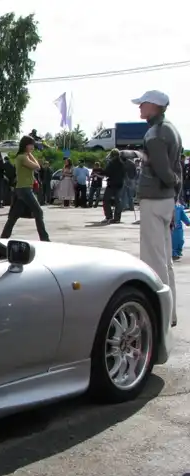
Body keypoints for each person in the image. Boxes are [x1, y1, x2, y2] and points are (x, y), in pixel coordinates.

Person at [132, 89, 183, 326]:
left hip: (154, 198)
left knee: (153, 260)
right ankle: (169, 314)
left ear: (154, 106)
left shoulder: (155, 133)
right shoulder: (171, 129)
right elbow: (175, 168)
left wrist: (172, 183)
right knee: (165, 260)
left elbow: (164, 170)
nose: (140, 107)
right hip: (166, 199)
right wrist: (174, 193)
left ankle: (160, 315)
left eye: (143, 104)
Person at [0, 136, 50, 241]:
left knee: (14, 215)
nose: (33, 147)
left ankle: (4, 237)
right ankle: (44, 239)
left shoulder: (22, 156)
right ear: (26, 145)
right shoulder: (22, 157)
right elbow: (37, 166)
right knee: (38, 212)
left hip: (22, 189)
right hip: (24, 189)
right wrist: (30, 154)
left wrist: (29, 153)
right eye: (31, 145)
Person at [102, 149, 126, 223]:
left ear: (112, 155)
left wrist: (103, 170)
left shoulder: (111, 163)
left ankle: (109, 216)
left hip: (111, 184)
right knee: (118, 201)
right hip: (120, 184)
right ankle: (117, 218)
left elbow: (107, 172)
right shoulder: (122, 163)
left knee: (106, 200)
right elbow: (124, 173)